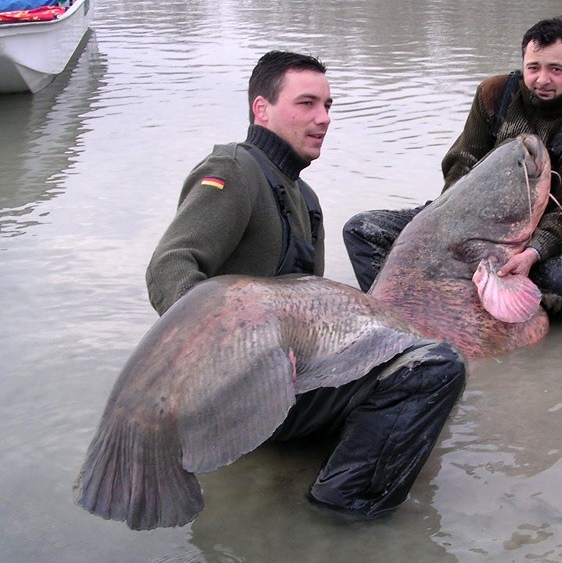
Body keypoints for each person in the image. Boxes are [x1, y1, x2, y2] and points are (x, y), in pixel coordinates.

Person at [146, 51, 466, 518]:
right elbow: (169, 265)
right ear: (262, 109)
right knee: (438, 369)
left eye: (329, 106)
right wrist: (235, 350)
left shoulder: (303, 196)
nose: (323, 119)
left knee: (413, 348)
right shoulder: (234, 172)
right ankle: (342, 510)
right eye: (307, 103)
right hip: (240, 391)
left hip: (284, 381)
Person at [343, 17, 562, 322]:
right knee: (361, 229)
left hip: (537, 234)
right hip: (463, 217)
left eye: (556, 69)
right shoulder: (493, 93)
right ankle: (398, 311)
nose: (542, 79)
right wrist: (447, 230)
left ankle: (520, 320)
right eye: (533, 67)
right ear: (523, 63)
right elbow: (461, 162)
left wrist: (532, 253)